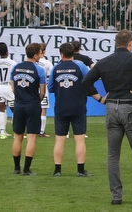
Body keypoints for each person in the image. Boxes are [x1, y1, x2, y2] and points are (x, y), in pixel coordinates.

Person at [82, 30, 132, 206]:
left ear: (115, 43)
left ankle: (116, 196)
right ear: (130, 43)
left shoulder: (105, 61)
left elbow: (86, 82)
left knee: (113, 155)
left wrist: (100, 98)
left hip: (111, 107)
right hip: (130, 106)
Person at [49, 42, 92, 177]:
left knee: (60, 139)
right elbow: (88, 82)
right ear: (73, 53)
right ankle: (80, 170)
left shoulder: (56, 68)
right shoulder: (81, 67)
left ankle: (57, 170)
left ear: (61, 54)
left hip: (61, 107)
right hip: (78, 106)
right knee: (79, 139)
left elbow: (50, 87)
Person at [9, 43, 47, 176]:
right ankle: (26, 169)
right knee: (31, 137)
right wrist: (38, 100)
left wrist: (19, 96)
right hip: (32, 104)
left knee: (18, 136)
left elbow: (12, 87)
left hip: (19, 104)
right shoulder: (39, 70)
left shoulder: (15, 67)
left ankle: (16, 168)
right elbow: (42, 91)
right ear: (35, 55)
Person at [37, 50, 54, 138]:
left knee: (32, 109)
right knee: (43, 109)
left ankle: (31, 130)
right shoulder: (47, 63)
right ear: (43, 52)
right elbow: (53, 72)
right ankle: (41, 131)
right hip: (43, 87)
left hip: (32, 87)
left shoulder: (31, 62)